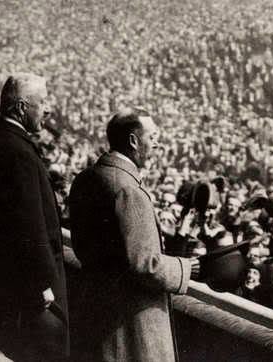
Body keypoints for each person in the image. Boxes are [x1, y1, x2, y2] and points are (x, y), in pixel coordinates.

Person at [67, 107, 199, 362]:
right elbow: (146, 264)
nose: (158, 144)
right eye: (153, 137)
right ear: (133, 141)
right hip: (129, 327)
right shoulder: (128, 190)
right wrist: (185, 267)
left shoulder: (86, 178)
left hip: (97, 314)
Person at [0, 73, 68, 360]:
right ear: (22, 107)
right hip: (26, 285)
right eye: (43, 102)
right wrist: (42, 282)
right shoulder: (17, 151)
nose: (47, 110)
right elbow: (28, 223)